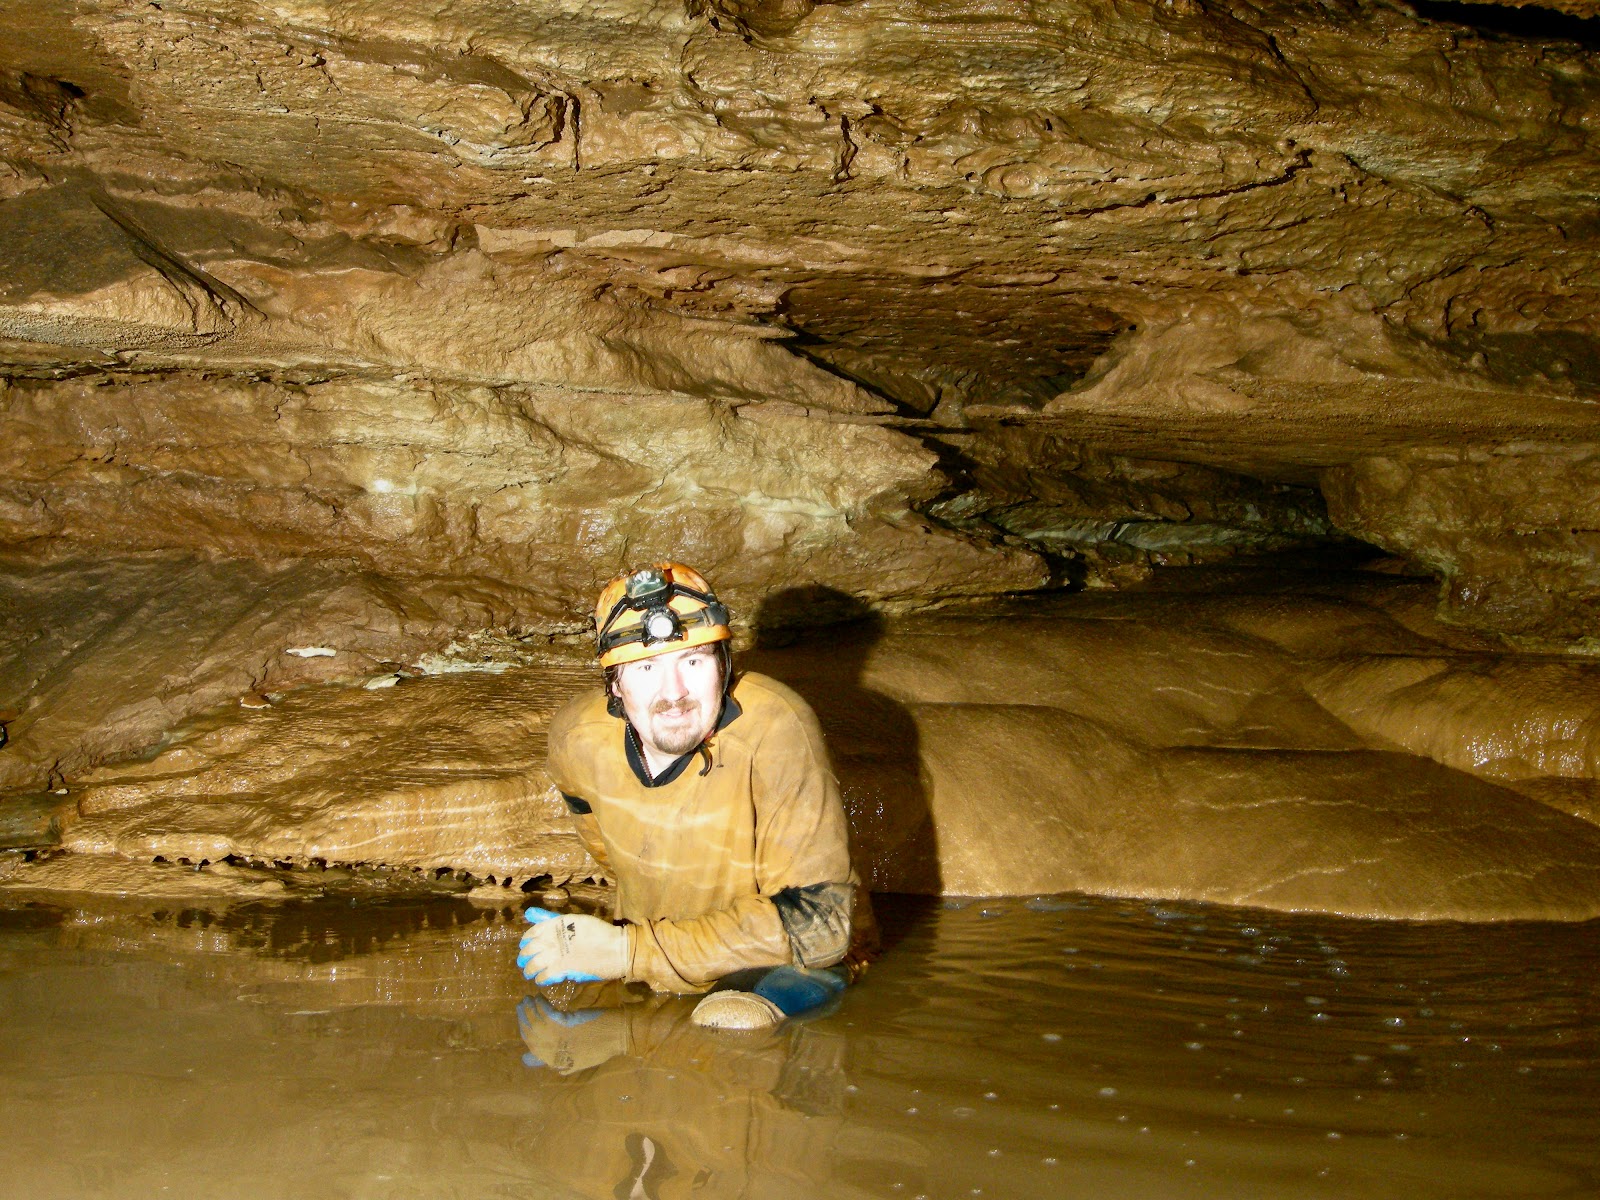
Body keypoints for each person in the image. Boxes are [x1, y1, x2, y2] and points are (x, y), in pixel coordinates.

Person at [518, 562, 874, 1029]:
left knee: (729, 1019)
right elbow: (608, 853)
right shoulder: (578, 739)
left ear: (724, 666)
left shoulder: (776, 727)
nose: (675, 692)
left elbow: (821, 925)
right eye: (646, 667)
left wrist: (630, 951)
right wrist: (628, 953)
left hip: (789, 962)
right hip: (656, 949)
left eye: (694, 660)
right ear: (615, 685)